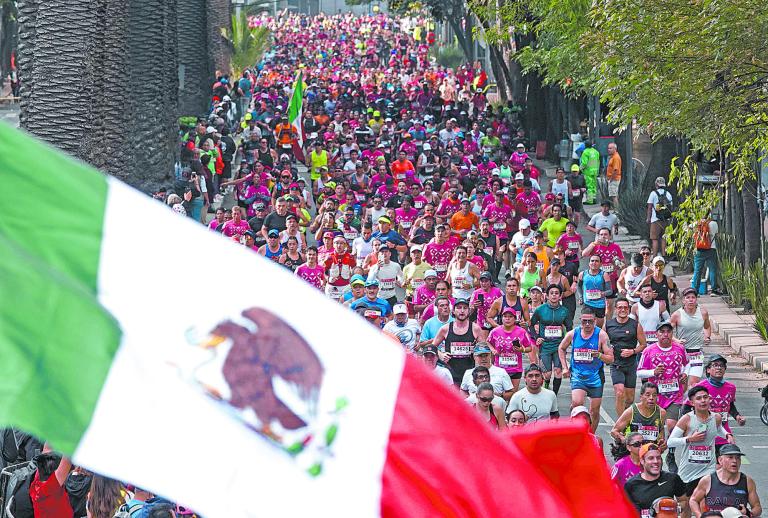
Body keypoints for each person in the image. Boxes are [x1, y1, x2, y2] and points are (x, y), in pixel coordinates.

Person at [667, 386, 735, 514]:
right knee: (686, 506)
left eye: (705, 397)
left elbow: (718, 428)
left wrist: (727, 435)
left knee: (705, 506)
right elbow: (670, 441)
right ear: (692, 403)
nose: (703, 401)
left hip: (708, 469)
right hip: (688, 470)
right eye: (698, 398)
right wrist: (689, 439)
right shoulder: (687, 419)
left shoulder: (716, 418)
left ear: (710, 399)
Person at [637, 320, 690, 474]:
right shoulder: (649, 350)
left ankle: (671, 455)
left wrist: (685, 373)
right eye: (662, 332)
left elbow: (688, 363)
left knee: (673, 426)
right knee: (653, 430)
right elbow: (639, 371)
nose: (665, 335)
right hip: (655, 396)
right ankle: (648, 457)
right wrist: (653, 372)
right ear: (657, 334)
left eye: (668, 332)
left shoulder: (679, 348)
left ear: (672, 334)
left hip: (674, 395)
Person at [559, 307, 614, 432]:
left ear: (595, 321)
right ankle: (574, 429)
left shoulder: (601, 335)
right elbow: (561, 348)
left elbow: (611, 359)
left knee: (594, 411)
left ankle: (591, 435)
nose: (587, 324)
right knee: (577, 403)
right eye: (584, 321)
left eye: (590, 321)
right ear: (580, 320)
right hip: (578, 375)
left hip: (595, 377)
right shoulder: (573, 334)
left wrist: (599, 355)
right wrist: (564, 367)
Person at [688, 355, 746, 458]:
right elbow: (687, 407)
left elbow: (730, 404)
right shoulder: (700, 387)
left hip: (724, 432)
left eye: (722, 366)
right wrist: (687, 429)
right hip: (703, 431)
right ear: (708, 369)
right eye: (715, 365)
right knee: (705, 466)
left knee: (724, 464)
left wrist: (737, 417)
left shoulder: (731, 387)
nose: (719, 368)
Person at [689, 445, 762, 518]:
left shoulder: (747, 481)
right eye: (730, 457)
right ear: (720, 460)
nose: (734, 461)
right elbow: (693, 500)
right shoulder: (708, 480)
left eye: (738, 458)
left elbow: (757, 507)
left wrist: (749, 513)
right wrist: (699, 516)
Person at [606, 297, 648, 415]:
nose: (623, 310)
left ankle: (626, 417)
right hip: (616, 365)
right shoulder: (609, 325)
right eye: (620, 307)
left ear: (629, 309)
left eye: (625, 307)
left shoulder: (635, 325)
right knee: (620, 393)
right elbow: (602, 342)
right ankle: (620, 425)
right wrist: (607, 351)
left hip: (630, 365)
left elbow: (643, 344)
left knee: (629, 399)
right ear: (615, 309)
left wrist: (633, 351)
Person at [624, 443, 687, 516]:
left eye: (658, 458)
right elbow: (626, 510)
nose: (656, 461)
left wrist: (672, 508)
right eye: (651, 458)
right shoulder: (631, 484)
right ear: (642, 461)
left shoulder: (672, 478)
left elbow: (684, 501)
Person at [433, 298, 483, 384]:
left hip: (470, 374)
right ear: (453, 311)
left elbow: (484, 350)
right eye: (459, 307)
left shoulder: (476, 329)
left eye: (465, 308)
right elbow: (432, 347)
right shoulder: (445, 329)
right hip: (450, 374)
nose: (462, 311)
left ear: (469, 311)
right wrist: (440, 354)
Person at [531, 284, 569, 394]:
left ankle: (554, 395)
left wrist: (566, 341)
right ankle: (546, 386)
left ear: (560, 296)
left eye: (556, 293)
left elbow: (570, 328)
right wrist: (537, 337)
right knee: (547, 374)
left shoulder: (564, 311)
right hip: (545, 346)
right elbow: (531, 325)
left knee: (558, 372)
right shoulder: (540, 310)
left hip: (559, 346)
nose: (554, 295)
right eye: (551, 293)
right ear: (547, 296)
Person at [487, 307, 533, 394]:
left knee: (512, 394)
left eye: (510, 316)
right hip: (499, 368)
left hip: (515, 369)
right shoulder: (495, 331)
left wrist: (521, 349)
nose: (507, 319)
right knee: (498, 393)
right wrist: (493, 350)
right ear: (502, 318)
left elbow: (529, 348)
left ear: (515, 319)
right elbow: (488, 342)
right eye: (505, 316)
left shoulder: (521, 332)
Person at [611, 381, 668, 449]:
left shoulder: (662, 413)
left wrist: (662, 443)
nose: (651, 398)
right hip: (631, 452)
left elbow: (661, 434)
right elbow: (614, 431)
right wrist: (625, 440)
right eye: (647, 395)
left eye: (654, 395)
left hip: (650, 452)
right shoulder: (631, 411)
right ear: (641, 397)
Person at [577, 255, 613, 327]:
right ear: (589, 263)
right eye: (592, 261)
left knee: (598, 327)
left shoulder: (604, 275)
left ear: (600, 264)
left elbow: (610, 291)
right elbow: (579, 286)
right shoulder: (583, 274)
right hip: (587, 303)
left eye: (597, 261)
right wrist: (581, 297)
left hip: (599, 305)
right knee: (586, 325)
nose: (594, 263)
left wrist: (602, 293)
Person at [691, 214, 720, 295]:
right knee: (712, 269)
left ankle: (695, 291)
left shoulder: (697, 223)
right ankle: (713, 290)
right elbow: (716, 233)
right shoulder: (714, 223)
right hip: (711, 248)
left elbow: (689, 228)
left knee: (697, 271)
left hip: (699, 249)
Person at [646, 176, 674, 257]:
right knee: (663, 238)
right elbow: (671, 208)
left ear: (656, 184)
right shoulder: (668, 194)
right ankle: (664, 255)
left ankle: (654, 256)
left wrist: (648, 218)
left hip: (655, 220)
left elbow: (650, 207)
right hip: (666, 220)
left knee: (654, 239)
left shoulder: (653, 194)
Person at [606, 142, 622, 207]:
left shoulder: (616, 157)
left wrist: (611, 179)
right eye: (608, 148)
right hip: (613, 178)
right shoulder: (613, 157)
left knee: (614, 196)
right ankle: (616, 210)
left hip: (614, 179)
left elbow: (616, 170)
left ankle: (617, 211)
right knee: (614, 195)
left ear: (615, 149)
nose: (608, 149)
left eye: (610, 148)